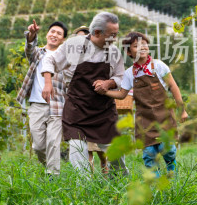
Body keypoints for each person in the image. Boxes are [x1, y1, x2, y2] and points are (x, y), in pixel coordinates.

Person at [40, 11, 128, 174]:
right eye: (111, 35)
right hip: (77, 112)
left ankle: (121, 186)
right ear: (96, 33)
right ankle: (85, 193)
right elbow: (50, 60)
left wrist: (109, 83)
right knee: (78, 156)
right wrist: (47, 82)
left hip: (104, 113)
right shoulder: (74, 46)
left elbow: (121, 76)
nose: (114, 39)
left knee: (117, 158)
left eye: (116, 35)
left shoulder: (114, 52)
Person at [101, 32, 187, 175]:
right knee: (149, 153)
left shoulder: (159, 66)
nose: (142, 47)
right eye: (136, 45)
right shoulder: (129, 74)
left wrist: (182, 110)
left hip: (164, 116)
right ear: (129, 52)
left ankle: (172, 167)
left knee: (169, 150)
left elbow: (173, 86)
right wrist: (105, 92)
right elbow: (122, 94)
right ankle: (156, 183)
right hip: (144, 120)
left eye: (144, 44)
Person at [16, 19, 68, 175]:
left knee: (53, 143)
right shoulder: (39, 53)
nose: (54, 35)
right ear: (47, 34)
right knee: (38, 146)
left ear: (63, 39)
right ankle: (50, 167)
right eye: (52, 31)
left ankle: (53, 175)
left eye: (59, 33)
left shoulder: (65, 58)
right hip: (37, 105)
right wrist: (31, 35)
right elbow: (29, 49)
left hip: (57, 104)